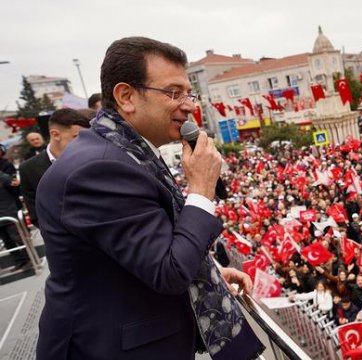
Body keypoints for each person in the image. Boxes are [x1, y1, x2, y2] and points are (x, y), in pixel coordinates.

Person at [36, 37, 258, 360]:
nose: (189, 105)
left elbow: (137, 253)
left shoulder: (123, 152)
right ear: (126, 97)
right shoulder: (99, 169)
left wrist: (205, 273)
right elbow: (168, 271)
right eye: (173, 93)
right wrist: (201, 189)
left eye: (188, 92)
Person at [19, 108, 92, 228]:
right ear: (55, 134)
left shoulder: (93, 158)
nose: (84, 142)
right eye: (77, 136)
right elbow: (36, 214)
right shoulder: (29, 169)